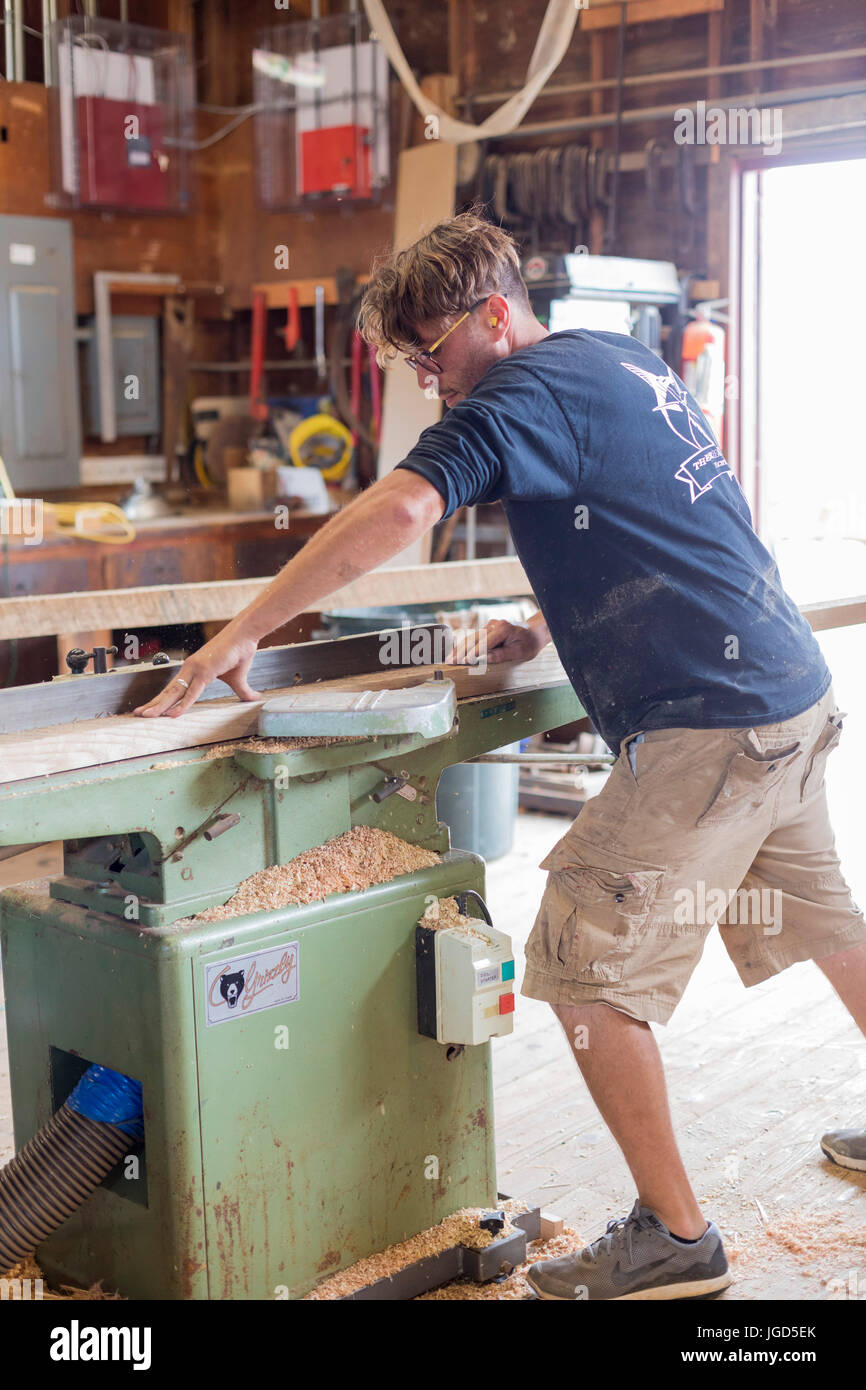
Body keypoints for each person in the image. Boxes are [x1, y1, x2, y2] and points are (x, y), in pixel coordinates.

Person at [135, 212, 866, 1300]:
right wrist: (545, 613)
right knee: (823, 920)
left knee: (579, 967)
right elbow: (658, 512)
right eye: (414, 363)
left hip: (709, 722)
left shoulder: (514, 393)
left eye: (436, 352)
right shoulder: (613, 358)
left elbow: (401, 507)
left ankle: (677, 1239)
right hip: (784, 695)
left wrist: (245, 629)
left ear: (492, 314)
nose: (433, 382)